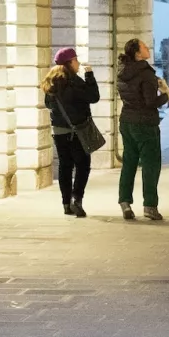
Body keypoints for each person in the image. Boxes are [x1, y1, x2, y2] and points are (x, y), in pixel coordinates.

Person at [116, 38, 169, 221]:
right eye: (144, 47)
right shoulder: (146, 73)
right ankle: (150, 206)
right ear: (138, 53)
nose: (148, 48)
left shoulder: (122, 71)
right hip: (145, 124)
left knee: (129, 163)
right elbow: (150, 102)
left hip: (127, 122)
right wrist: (166, 95)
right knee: (151, 165)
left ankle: (125, 202)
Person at [42, 47, 100, 218]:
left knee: (65, 166)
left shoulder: (50, 82)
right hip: (77, 131)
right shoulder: (74, 81)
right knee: (82, 165)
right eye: (76, 60)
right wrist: (89, 75)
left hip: (59, 132)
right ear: (69, 63)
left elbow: (48, 104)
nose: (78, 63)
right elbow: (93, 97)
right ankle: (77, 199)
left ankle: (66, 203)